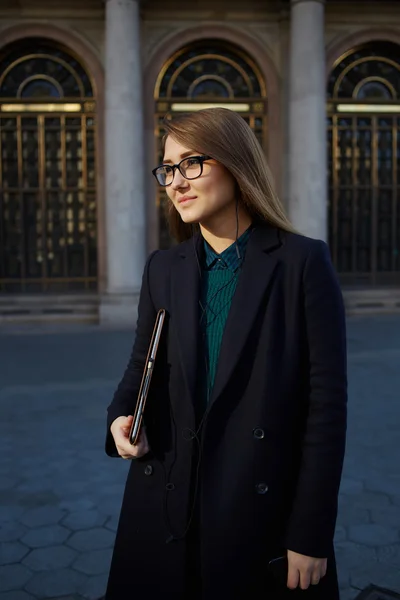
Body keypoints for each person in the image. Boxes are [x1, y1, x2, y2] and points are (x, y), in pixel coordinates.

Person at [104, 107, 347, 600]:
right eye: (168, 168)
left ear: (236, 164)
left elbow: (325, 410)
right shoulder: (163, 268)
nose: (176, 182)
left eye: (192, 163)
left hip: (258, 511)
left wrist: (310, 532)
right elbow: (139, 366)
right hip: (164, 503)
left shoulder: (301, 263)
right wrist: (120, 419)